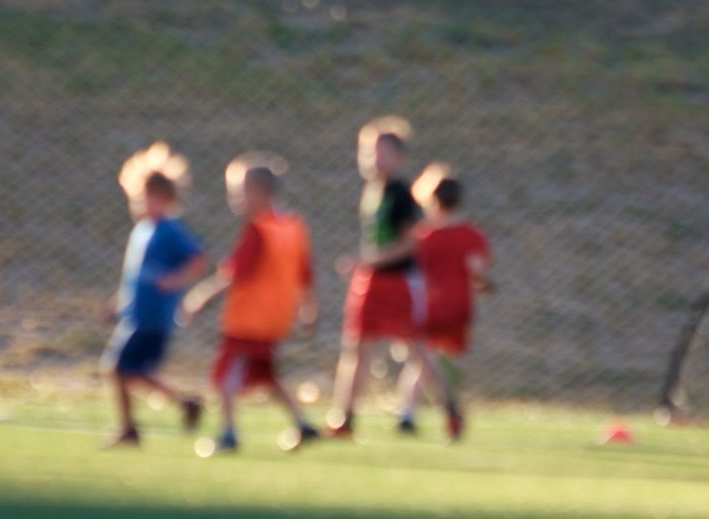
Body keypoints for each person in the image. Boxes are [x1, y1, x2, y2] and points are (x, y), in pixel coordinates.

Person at [328, 133, 459, 437]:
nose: (374, 159)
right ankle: (343, 418)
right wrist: (366, 264)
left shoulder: (400, 193)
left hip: (398, 282)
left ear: (398, 157)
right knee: (356, 349)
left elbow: (410, 243)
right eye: (368, 153)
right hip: (369, 281)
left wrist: (369, 260)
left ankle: (450, 410)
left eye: (381, 153)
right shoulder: (372, 191)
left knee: (415, 350)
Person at [182, 166, 319, 453]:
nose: (235, 199)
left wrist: (201, 296)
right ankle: (303, 423)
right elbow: (305, 271)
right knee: (266, 375)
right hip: (276, 318)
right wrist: (308, 307)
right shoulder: (293, 225)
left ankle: (229, 434)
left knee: (225, 376)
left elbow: (236, 273)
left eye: (239, 192)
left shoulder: (259, 229)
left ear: (259, 192)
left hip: (249, 319)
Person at [101, 172, 207, 447]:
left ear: (166, 200)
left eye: (149, 198)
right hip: (133, 315)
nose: (142, 204)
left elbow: (198, 260)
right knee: (129, 372)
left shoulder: (169, 230)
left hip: (152, 318)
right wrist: (117, 304)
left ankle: (130, 428)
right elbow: (134, 278)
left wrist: (173, 280)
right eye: (139, 198)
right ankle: (183, 404)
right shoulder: (142, 230)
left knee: (119, 369)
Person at [397, 177, 492, 438]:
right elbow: (476, 270)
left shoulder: (423, 234)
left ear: (432, 201)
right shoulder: (471, 234)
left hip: (427, 305)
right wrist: (484, 286)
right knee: (444, 359)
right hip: (459, 306)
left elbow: (410, 267)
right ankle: (416, 413)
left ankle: (418, 411)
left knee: (421, 357)